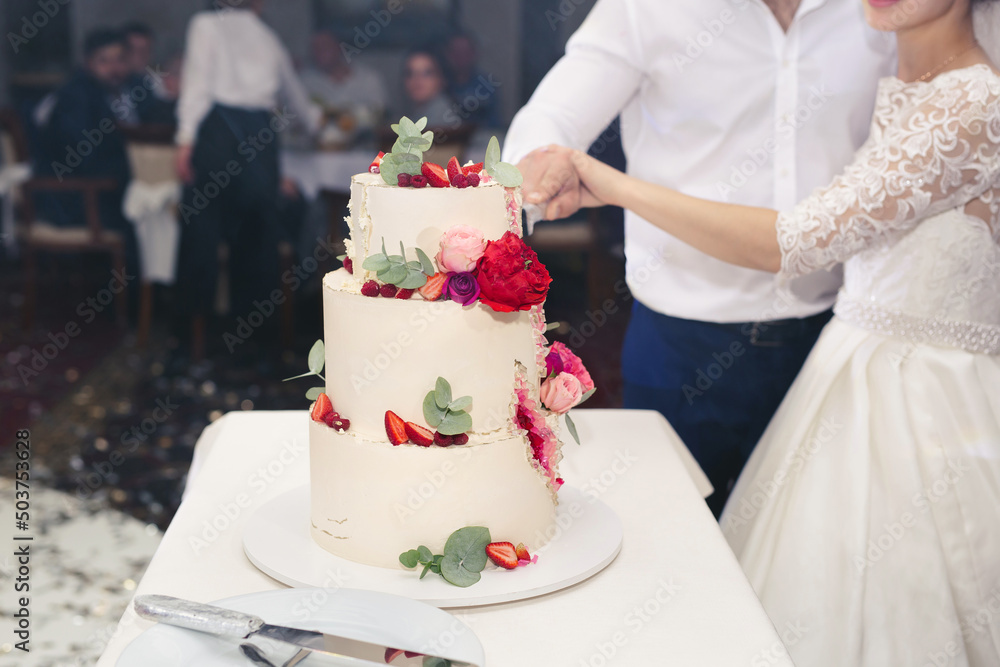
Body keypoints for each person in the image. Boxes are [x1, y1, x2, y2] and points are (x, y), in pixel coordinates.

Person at [568, 1, 1000, 663]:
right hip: (846, 374)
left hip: (925, 404)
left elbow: (790, 240)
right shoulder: (908, 82)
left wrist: (615, 186)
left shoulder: (972, 104)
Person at [503, 0, 897, 516]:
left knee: (811, 544)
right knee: (673, 538)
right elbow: (555, 113)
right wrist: (539, 168)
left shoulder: (884, 10)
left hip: (835, 336)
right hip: (681, 344)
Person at [173, 0, 320, 354]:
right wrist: (315, 125)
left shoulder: (204, 24)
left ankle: (194, 337)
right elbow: (298, 99)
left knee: (202, 236)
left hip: (217, 137)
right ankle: (253, 339)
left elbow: (196, 86)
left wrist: (184, 139)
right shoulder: (268, 35)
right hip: (260, 138)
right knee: (257, 239)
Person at [34, 27, 140, 309]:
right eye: (104, 61)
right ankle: (136, 306)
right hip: (74, 198)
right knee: (143, 211)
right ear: (88, 63)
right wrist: (134, 174)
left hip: (106, 187)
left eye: (119, 60)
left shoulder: (128, 92)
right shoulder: (76, 97)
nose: (114, 68)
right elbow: (85, 160)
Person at [299, 28, 387, 125]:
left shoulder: (369, 79)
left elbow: (381, 115)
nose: (320, 52)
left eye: (325, 46)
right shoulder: (304, 82)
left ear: (339, 47)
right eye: (315, 48)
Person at [443, 32, 501, 129]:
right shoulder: (440, 85)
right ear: (448, 55)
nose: (460, 57)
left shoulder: (486, 85)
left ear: (474, 54)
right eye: (456, 52)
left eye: (465, 52)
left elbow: (494, 123)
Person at [396, 48, 452, 128]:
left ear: (441, 78)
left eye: (426, 73)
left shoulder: (443, 118)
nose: (417, 80)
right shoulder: (418, 113)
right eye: (410, 73)